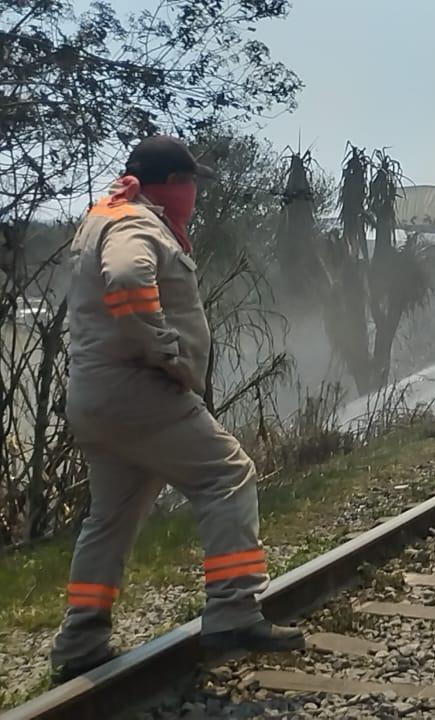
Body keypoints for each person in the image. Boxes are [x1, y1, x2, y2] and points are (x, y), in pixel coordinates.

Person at [51, 136, 304, 683]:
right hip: (139, 393)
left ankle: (80, 641)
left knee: (111, 516)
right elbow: (125, 277)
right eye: (191, 183)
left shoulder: (105, 216)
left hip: (97, 400)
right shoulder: (136, 223)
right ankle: (234, 610)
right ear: (172, 184)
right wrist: (161, 350)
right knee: (228, 475)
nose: (195, 194)